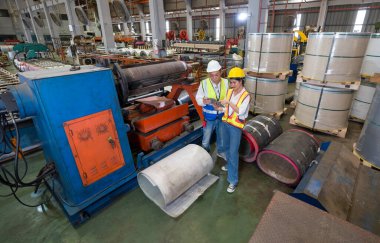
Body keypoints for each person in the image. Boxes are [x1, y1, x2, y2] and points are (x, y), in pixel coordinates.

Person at [219, 67, 250, 193]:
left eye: (234, 82)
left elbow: (240, 111)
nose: (232, 85)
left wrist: (229, 102)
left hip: (235, 128)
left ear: (241, 81)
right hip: (225, 124)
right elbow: (225, 108)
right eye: (230, 82)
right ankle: (229, 166)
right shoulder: (229, 92)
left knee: (233, 152)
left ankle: (232, 181)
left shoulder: (246, 96)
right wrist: (218, 105)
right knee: (225, 147)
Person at [196, 60, 229, 159]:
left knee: (221, 136)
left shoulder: (226, 82)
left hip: (222, 115)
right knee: (206, 137)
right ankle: (205, 154)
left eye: (216, 75)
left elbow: (229, 99)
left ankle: (221, 151)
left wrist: (224, 104)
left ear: (221, 72)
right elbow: (198, 99)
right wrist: (203, 101)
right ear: (208, 74)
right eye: (212, 75)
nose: (214, 78)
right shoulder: (204, 84)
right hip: (209, 117)